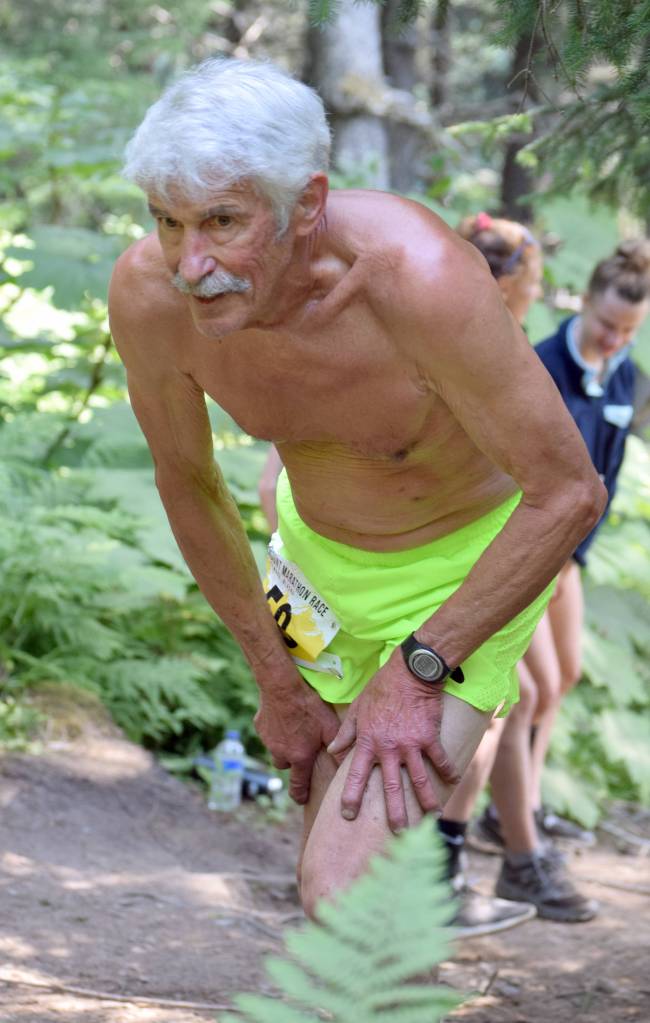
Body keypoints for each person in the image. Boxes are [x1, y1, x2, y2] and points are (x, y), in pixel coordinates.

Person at [108, 58, 606, 924]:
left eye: (223, 221)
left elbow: (567, 492)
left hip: (468, 569)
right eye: (167, 221)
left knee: (339, 885)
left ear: (305, 204)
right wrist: (276, 677)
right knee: (330, 886)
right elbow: (188, 482)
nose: (191, 263)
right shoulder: (150, 296)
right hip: (317, 570)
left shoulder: (419, 277)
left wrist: (420, 668)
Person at [440, 214, 598, 927]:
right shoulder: (468, 343)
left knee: (523, 694)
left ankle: (494, 849)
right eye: (533, 285)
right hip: (458, 552)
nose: (537, 297)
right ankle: (454, 863)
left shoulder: (489, 344)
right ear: (505, 284)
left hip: (495, 545)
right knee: (504, 698)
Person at [474, 239, 650, 859]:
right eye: (607, 324)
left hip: (571, 551)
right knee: (532, 688)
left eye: (629, 330)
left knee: (565, 676)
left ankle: (527, 804)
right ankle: (507, 812)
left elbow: (611, 461)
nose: (614, 338)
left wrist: (575, 553)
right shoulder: (545, 365)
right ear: (585, 308)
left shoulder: (628, 375)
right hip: (527, 543)